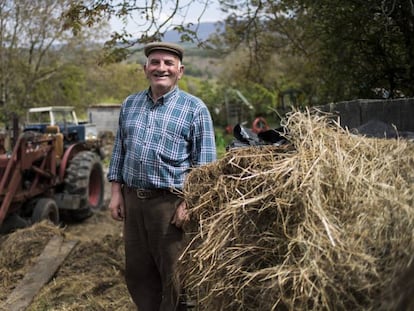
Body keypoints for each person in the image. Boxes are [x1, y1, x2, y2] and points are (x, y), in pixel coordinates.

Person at [107, 41, 217, 311]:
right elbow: (119, 150)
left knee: (174, 275)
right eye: (155, 62)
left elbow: (205, 167)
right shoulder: (130, 104)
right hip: (134, 203)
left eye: (168, 63)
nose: (161, 68)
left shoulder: (195, 109)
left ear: (180, 70)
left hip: (169, 205)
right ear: (146, 68)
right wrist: (116, 193)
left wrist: (190, 202)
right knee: (138, 273)